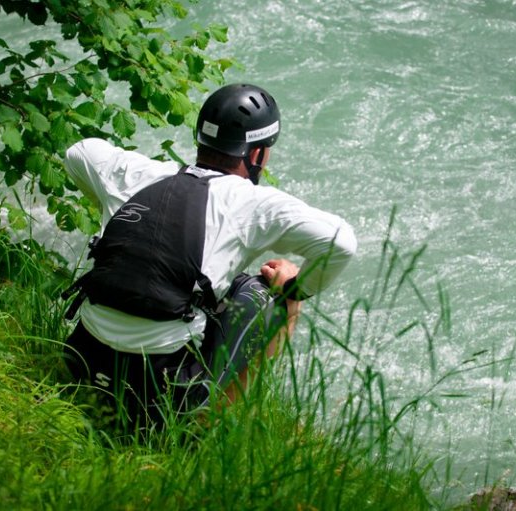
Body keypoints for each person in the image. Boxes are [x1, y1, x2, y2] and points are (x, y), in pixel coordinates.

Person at [61, 83, 357, 424]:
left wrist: (107, 206)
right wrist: (297, 287)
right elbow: (340, 243)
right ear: (258, 155)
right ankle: (208, 424)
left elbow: (79, 152)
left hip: (82, 360)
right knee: (273, 295)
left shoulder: (137, 173)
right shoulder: (251, 202)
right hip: (158, 393)